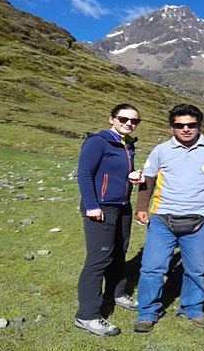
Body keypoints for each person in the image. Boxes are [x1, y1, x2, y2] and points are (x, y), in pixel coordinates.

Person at [133, 103, 204, 333]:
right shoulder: (160, 150)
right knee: (152, 268)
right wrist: (141, 208)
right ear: (171, 127)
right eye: (180, 125)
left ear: (198, 125)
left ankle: (192, 308)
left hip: (199, 221)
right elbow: (148, 181)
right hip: (162, 219)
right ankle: (146, 312)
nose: (186, 129)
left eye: (191, 125)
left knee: (196, 268)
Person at [74, 103, 143, 336]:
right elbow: (85, 174)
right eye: (123, 119)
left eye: (134, 121)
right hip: (101, 208)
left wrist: (131, 175)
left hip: (122, 206)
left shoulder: (127, 144)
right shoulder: (97, 141)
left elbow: (113, 172)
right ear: (111, 118)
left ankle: (116, 293)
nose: (129, 123)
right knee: (99, 259)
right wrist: (92, 205)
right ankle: (87, 315)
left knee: (119, 252)